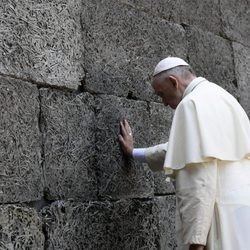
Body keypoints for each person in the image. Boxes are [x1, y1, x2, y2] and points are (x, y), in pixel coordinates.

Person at [118, 57, 250, 250]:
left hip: (217, 215)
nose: (163, 103)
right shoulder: (224, 97)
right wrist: (133, 152)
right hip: (242, 212)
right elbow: (184, 150)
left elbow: (200, 179)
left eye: (162, 94)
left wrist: (196, 240)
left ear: (174, 81)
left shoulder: (190, 104)